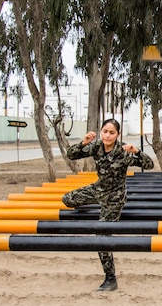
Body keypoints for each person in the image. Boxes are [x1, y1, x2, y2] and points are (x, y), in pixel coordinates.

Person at [62, 119, 154, 291]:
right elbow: (71, 154)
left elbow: (149, 165)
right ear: (101, 131)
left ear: (118, 135)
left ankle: (110, 278)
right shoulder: (96, 146)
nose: (108, 135)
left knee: (101, 236)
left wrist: (137, 152)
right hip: (99, 189)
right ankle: (96, 210)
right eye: (105, 131)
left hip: (114, 197)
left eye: (112, 133)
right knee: (67, 199)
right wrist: (84, 142)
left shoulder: (124, 151)